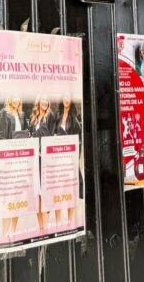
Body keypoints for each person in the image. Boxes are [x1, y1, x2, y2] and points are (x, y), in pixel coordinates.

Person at [0, 95, 26, 238]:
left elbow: (25, 134)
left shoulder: (21, 115)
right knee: (7, 197)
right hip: (8, 160)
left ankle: (14, 230)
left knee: (17, 197)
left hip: (20, 160)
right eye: (14, 97)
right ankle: (5, 232)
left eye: (18, 97)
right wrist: (7, 150)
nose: (17, 100)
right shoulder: (4, 113)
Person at [54, 94, 82, 229]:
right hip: (58, 160)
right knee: (58, 192)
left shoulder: (75, 120)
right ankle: (58, 222)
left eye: (68, 97)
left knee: (70, 191)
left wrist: (75, 158)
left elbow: (79, 142)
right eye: (64, 97)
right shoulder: (57, 117)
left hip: (69, 161)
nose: (66, 99)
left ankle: (70, 222)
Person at [29, 95, 55, 232]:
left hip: (45, 158)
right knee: (36, 192)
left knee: (45, 192)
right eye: (43, 99)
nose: (45, 101)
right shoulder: (33, 118)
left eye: (46, 99)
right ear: (38, 101)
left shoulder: (50, 116)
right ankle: (41, 228)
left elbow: (52, 136)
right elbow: (30, 135)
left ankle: (46, 227)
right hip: (34, 159)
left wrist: (44, 151)